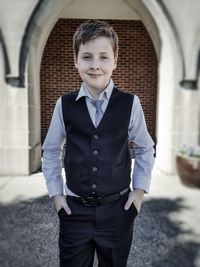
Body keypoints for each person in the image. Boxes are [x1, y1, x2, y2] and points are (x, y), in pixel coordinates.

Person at [42, 19, 155, 267]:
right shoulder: (65, 104)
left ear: (115, 60)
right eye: (87, 57)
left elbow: (146, 147)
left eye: (103, 57)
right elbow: (51, 151)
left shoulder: (130, 103)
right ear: (76, 61)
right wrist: (57, 196)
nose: (95, 65)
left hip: (118, 211)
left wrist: (138, 192)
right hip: (74, 211)